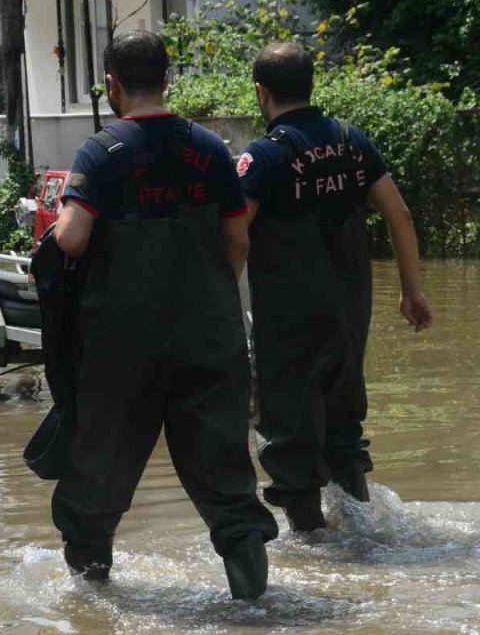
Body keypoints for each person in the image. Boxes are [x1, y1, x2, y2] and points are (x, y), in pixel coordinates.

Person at [50, 31, 278, 600]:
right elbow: (238, 242)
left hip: (122, 344)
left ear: (111, 85)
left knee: (98, 477)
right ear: (168, 79)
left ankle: (91, 604)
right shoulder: (211, 149)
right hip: (210, 336)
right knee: (226, 473)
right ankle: (252, 600)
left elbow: (73, 241)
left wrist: (58, 214)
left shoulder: (101, 152)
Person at [239, 43, 433, 531]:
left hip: (287, 323)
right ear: (311, 85)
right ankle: (363, 532)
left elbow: (234, 235)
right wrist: (413, 292)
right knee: (344, 425)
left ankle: (314, 547)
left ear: (261, 92)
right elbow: (401, 216)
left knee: (289, 433)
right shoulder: (353, 141)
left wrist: (214, 301)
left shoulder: (264, 156)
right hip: (349, 316)